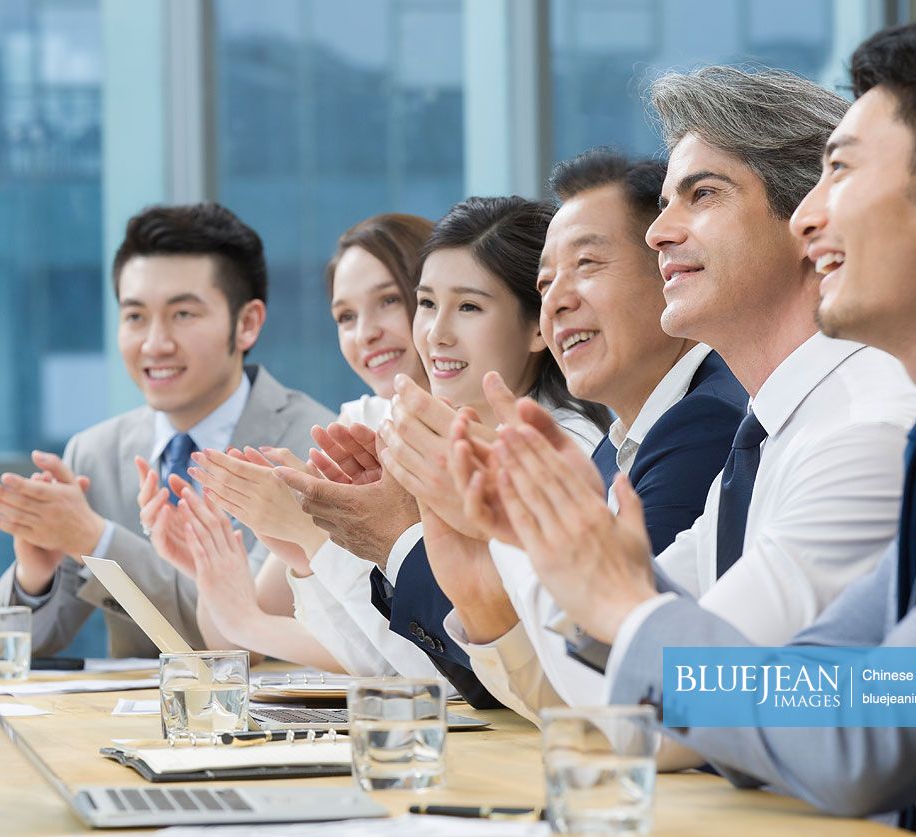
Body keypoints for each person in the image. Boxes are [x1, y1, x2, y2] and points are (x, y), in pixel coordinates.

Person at [486, 22, 916, 837]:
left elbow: (867, 735)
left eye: (837, 170)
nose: (808, 217)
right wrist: (592, 571)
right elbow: (812, 685)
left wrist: (622, 600)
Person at [454, 65, 916, 723]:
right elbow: (620, 689)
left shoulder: (860, 431)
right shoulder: (764, 435)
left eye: (702, 194)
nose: (657, 232)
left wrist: (529, 523)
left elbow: (676, 708)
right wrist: (525, 529)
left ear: (810, 223)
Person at [375, 151, 746, 717]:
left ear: (671, 269)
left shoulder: (704, 424)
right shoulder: (624, 437)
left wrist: (495, 530)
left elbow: (629, 683)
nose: (558, 299)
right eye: (546, 281)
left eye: (588, 265)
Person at [272, 196, 609, 703]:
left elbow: (471, 683)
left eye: (469, 307)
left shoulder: (570, 452)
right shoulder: (437, 440)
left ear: (537, 326)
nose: (436, 334)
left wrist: (374, 538)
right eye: (427, 304)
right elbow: (395, 669)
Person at [0, 203, 334, 657]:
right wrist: (35, 575)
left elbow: (250, 640)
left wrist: (97, 540)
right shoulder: (95, 453)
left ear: (246, 324)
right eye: (135, 317)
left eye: (183, 314)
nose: (154, 343)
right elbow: (0, 654)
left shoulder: (312, 444)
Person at [140, 213, 440, 674]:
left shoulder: (436, 438)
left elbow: (424, 656)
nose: (365, 333)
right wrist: (208, 565)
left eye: (388, 301)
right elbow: (243, 636)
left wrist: (304, 535)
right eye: (345, 316)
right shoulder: (359, 422)